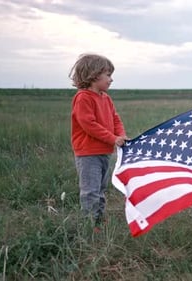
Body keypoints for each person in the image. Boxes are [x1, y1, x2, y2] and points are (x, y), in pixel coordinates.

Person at [69, 53, 128, 229]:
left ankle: (99, 219)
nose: (111, 80)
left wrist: (121, 136)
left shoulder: (106, 98)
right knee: (90, 191)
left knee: (101, 189)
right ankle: (90, 224)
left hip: (104, 152)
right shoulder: (83, 97)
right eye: (108, 75)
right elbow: (89, 124)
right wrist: (113, 138)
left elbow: (115, 119)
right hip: (88, 153)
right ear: (94, 75)